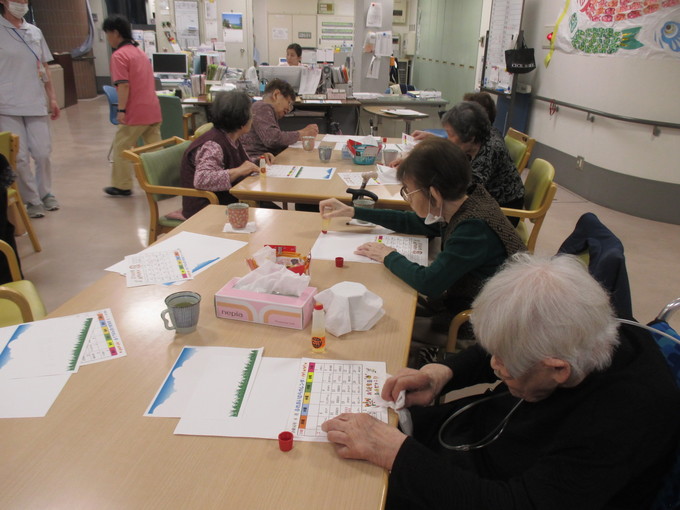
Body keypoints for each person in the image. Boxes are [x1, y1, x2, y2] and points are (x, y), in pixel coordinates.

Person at [322, 253, 680, 510]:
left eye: (505, 365)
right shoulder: (585, 326)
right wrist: (443, 373)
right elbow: (510, 346)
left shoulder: (618, 424)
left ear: (557, 370)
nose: (494, 367)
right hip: (483, 437)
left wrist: (395, 453)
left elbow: (513, 502)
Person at [319, 137, 524, 331]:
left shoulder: (473, 229)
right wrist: (355, 211)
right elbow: (414, 222)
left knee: (389, 319)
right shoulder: (464, 202)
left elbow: (429, 283)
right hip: (469, 296)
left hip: (484, 318)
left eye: (408, 190)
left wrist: (387, 254)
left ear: (434, 194)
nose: (407, 197)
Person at [394, 102, 525, 216]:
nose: (447, 138)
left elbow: (459, 188)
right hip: (484, 202)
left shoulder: (490, 151)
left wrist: (416, 168)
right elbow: (453, 149)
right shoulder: (478, 138)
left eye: (450, 134)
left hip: (502, 208)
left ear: (470, 137)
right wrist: (432, 142)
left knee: (430, 202)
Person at [0, 0, 60, 218]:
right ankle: (32, 200)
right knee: (21, 157)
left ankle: (46, 193)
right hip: (6, 104)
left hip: (35, 101)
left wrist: (52, 97)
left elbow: (45, 66)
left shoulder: (34, 31)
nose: (21, 3)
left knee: (43, 152)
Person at [180, 90, 275, 219]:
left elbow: (236, 164)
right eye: (250, 114)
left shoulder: (231, 137)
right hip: (207, 208)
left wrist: (258, 161)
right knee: (272, 216)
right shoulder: (213, 144)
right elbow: (202, 179)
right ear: (241, 119)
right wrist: (238, 171)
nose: (252, 117)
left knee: (273, 213)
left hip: (228, 201)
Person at [102, 15, 161, 197]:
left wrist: (121, 110)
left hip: (135, 112)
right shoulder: (140, 52)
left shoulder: (119, 55)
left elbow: (124, 85)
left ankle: (122, 185)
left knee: (122, 147)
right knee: (155, 150)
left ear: (115, 33)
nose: (107, 38)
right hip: (152, 108)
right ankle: (162, 182)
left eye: (107, 34)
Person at [241, 79, 318, 158]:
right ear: (276, 95)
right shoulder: (262, 107)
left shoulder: (264, 109)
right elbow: (273, 139)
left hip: (264, 158)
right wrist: (301, 134)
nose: (288, 109)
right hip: (257, 161)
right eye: (289, 103)